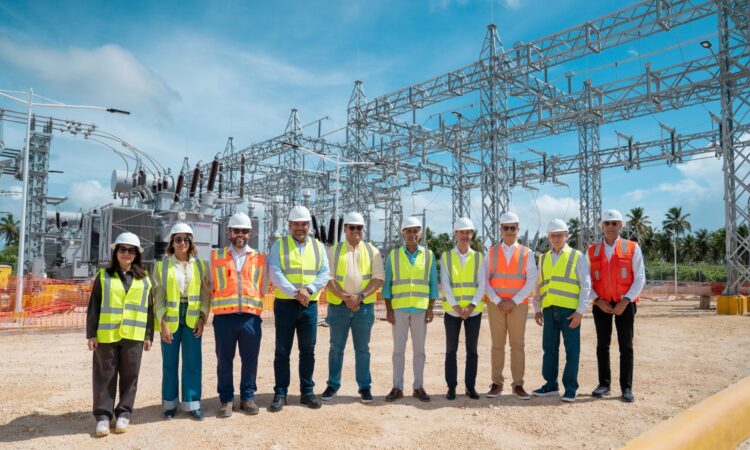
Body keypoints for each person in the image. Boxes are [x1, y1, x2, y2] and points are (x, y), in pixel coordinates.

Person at [86, 232, 153, 437]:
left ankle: (124, 412)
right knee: (104, 376)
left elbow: (149, 309)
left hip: (134, 335)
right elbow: (94, 305)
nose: (126, 253)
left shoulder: (144, 278)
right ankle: (103, 416)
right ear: (115, 252)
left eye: (131, 250)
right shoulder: (104, 275)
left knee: (130, 376)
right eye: (122, 249)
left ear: (136, 254)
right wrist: (91, 334)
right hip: (107, 335)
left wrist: (148, 335)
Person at [268, 205, 329, 412]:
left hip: (309, 305)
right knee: (282, 351)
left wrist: (308, 290)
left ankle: (307, 392)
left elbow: (324, 272)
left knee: (308, 350)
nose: (300, 228)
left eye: (303, 224)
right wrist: (295, 292)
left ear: (308, 226)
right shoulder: (279, 245)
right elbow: (275, 272)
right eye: (296, 224)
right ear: (289, 225)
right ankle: (280, 393)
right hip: (285, 304)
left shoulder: (318, 246)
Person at [321, 212, 384, 404]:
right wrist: (345, 297)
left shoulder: (372, 251)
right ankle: (333, 385)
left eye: (359, 228)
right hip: (339, 307)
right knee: (336, 348)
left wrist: (360, 297)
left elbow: (378, 279)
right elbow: (328, 278)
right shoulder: (334, 251)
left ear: (363, 229)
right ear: (345, 229)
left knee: (362, 349)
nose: (356, 231)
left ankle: (364, 387)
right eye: (352, 227)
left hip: (363, 308)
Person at [210, 212, 268, 418]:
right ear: (229, 232)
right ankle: (226, 399)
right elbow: (209, 284)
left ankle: (247, 397)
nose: (240, 235)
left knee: (250, 359)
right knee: (224, 360)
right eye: (237, 231)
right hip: (224, 318)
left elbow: (263, 287)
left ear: (249, 234)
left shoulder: (260, 258)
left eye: (244, 231)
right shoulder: (216, 257)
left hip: (250, 318)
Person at [152, 222, 210, 420]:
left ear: (191, 242)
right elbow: (158, 297)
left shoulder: (201, 266)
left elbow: (205, 295)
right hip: (171, 318)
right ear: (172, 242)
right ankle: (170, 404)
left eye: (186, 239)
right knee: (169, 363)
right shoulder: (161, 266)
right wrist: (162, 323)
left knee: (193, 362)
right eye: (178, 239)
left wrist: (203, 318)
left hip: (193, 318)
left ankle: (192, 403)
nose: (182, 243)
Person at [588, 209, 645, 403]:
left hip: (625, 303)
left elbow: (640, 278)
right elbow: (586, 280)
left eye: (614, 223)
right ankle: (604, 384)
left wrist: (625, 300)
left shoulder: (632, 248)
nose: (610, 226)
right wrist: (597, 300)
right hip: (601, 303)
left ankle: (626, 387)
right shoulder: (592, 251)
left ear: (621, 226)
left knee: (626, 346)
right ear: (602, 227)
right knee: (602, 345)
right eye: (607, 223)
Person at [532, 219, 591, 403]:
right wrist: (537, 308)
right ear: (549, 237)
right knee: (549, 348)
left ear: (567, 236)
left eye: (560, 235)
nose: (556, 238)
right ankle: (551, 384)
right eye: (553, 235)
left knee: (572, 350)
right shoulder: (543, 258)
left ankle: (570, 387)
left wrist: (580, 311)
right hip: (549, 310)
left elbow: (586, 284)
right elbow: (539, 285)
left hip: (570, 311)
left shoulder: (576, 256)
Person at [382, 216, 438, 402]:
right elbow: (387, 285)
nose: (412, 234)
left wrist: (430, 308)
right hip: (399, 309)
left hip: (420, 309)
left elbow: (433, 284)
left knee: (419, 351)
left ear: (420, 234)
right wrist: (389, 310)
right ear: (403, 234)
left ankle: (418, 386)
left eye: (416, 231)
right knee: (398, 350)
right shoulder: (394, 256)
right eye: (409, 231)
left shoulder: (428, 255)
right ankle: (397, 387)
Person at [484, 212, 537, 400]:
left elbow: (531, 279)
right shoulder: (491, 252)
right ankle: (496, 383)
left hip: (518, 305)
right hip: (496, 305)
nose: (509, 231)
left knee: (517, 345)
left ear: (518, 230)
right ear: (500, 229)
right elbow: (485, 279)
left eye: (512, 228)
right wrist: (497, 300)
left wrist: (514, 301)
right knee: (497, 345)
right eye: (505, 227)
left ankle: (518, 385)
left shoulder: (527, 253)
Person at [440, 217, 485, 400]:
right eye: (462, 232)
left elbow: (482, 284)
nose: (465, 235)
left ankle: (470, 386)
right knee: (451, 350)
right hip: (453, 311)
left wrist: (472, 305)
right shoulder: (446, 257)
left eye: (468, 232)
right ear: (456, 234)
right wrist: (458, 307)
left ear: (472, 234)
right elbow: (445, 283)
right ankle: (451, 387)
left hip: (473, 311)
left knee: (472, 351)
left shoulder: (479, 257)